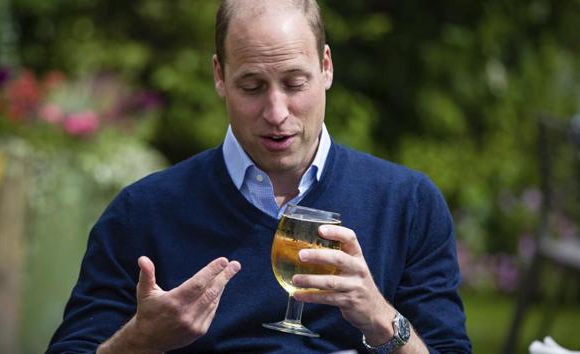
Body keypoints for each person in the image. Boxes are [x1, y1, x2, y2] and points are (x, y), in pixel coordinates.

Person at [46, 0, 471, 353]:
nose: (276, 113)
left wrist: (379, 317)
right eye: (251, 86)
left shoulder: (408, 204)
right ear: (219, 76)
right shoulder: (142, 213)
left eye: (294, 83)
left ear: (326, 67)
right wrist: (140, 340)